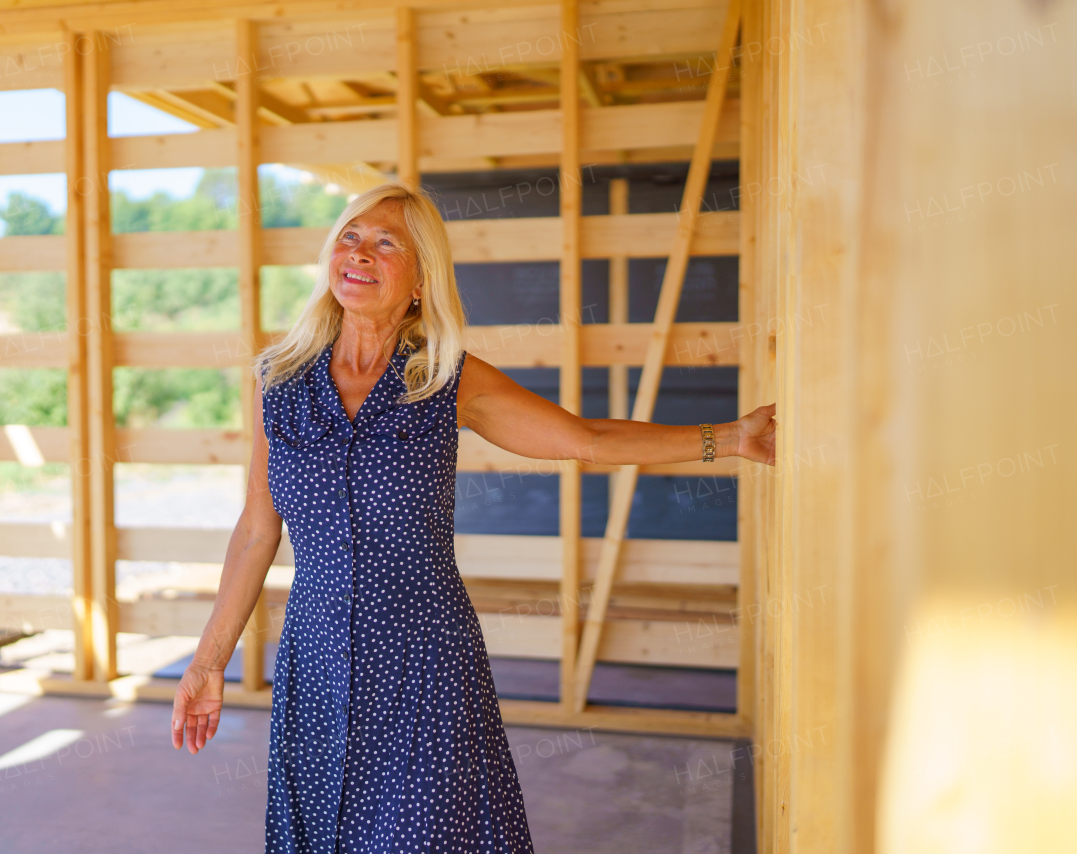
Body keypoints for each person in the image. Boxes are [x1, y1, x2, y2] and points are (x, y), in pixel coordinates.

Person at [170, 183, 777, 853]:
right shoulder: (276, 381)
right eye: (349, 236)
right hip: (315, 663)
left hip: (424, 661)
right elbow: (258, 529)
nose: (359, 252)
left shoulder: (445, 378)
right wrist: (207, 661)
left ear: (422, 279)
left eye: (385, 243)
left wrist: (730, 437)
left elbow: (586, 441)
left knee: (424, 836)